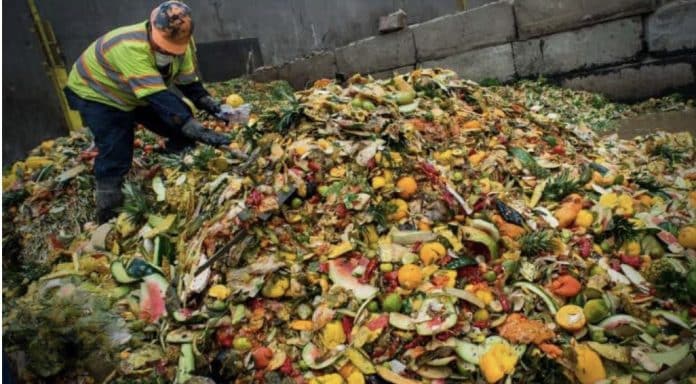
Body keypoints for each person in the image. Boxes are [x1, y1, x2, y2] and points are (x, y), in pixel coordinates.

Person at [64, 1, 230, 223]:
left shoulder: (182, 42)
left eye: (171, 49)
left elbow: (189, 83)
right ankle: (108, 205)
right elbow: (157, 97)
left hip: (137, 90)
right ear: (152, 28)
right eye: (162, 47)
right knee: (116, 143)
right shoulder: (129, 46)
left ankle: (176, 163)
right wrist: (195, 127)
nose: (166, 52)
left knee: (175, 123)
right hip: (98, 92)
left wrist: (209, 104)